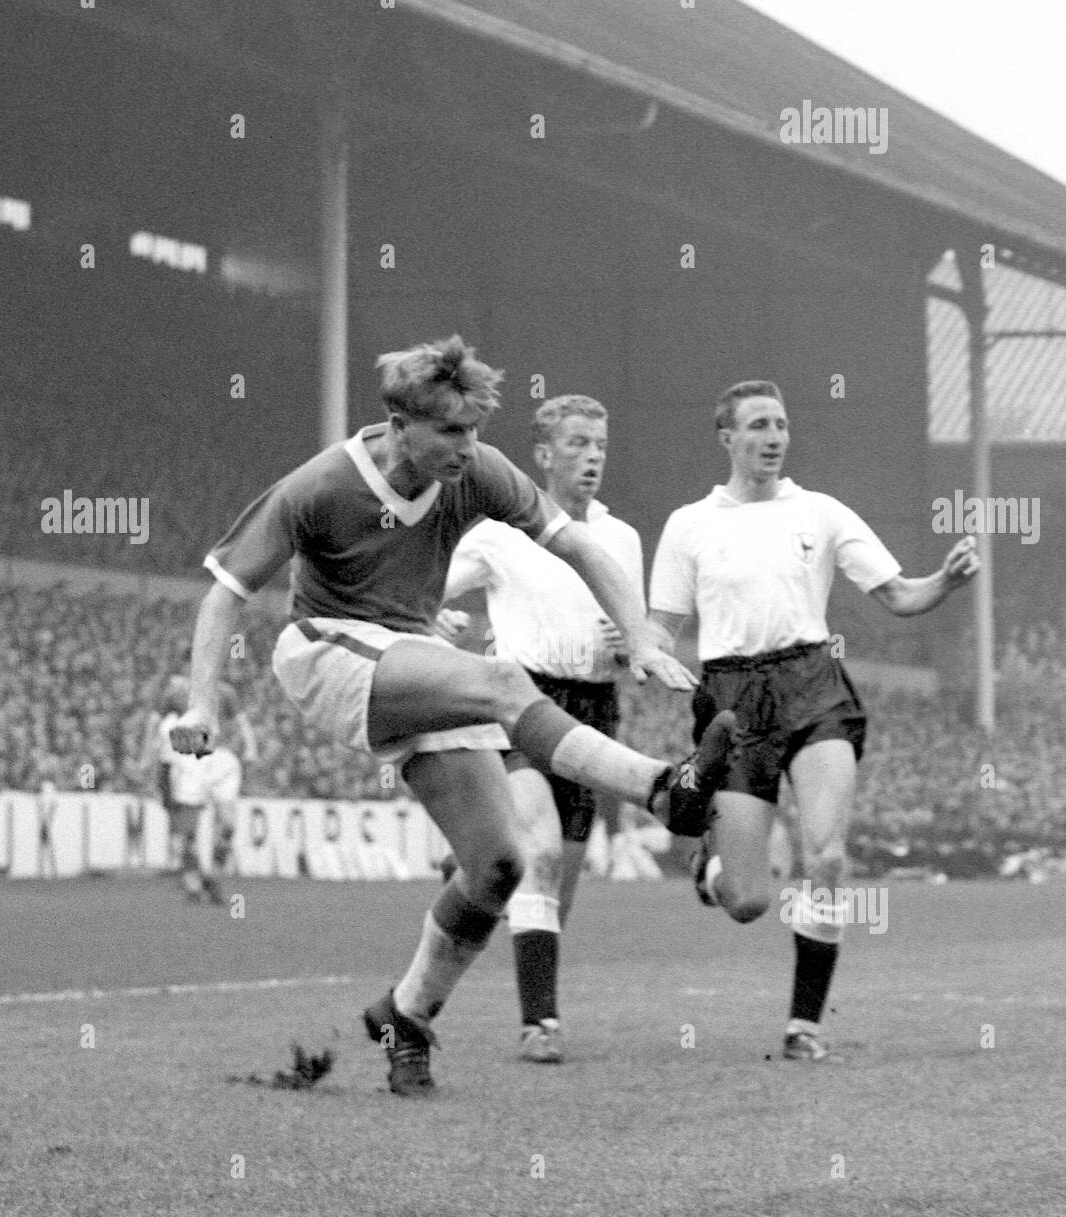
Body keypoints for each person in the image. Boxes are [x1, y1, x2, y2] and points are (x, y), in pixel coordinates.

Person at [170, 335, 734, 1095]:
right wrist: (202, 699)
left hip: (411, 657)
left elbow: (580, 546)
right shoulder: (324, 483)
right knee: (503, 678)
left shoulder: (480, 470)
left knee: (499, 866)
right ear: (401, 425)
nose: (468, 447)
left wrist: (636, 634)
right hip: (325, 652)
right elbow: (225, 589)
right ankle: (664, 789)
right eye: (450, 431)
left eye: (474, 429)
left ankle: (408, 1017)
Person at [648, 379, 979, 1062]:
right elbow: (659, 626)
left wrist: (944, 580)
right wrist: (637, 647)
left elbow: (897, 593)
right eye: (759, 424)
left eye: (782, 423)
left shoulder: (822, 512)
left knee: (825, 855)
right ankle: (712, 869)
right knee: (746, 900)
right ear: (728, 437)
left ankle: (805, 1025)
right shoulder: (690, 525)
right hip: (733, 696)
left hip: (812, 682)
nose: (774, 435)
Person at [436, 393, 643, 1062]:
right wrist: (429, 621)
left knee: (559, 885)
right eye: (579, 444)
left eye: (601, 446)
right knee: (545, 852)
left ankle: (478, 873)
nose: (593, 458)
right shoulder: (499, 532)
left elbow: (634, 641)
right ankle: (540, 1024)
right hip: (520, 702)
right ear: (544, 455)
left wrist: (628, 645)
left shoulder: (621, 538)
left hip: (593, 711)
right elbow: (423, 588)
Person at [156, 675, 255, 904]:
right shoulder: (176, 692)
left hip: (222, 757)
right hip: (191, 758)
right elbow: (157, 725)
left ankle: (213, 876)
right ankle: (192, 882)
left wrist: (250, 746)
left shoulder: (226, 691)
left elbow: (241, 722)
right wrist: (155, 760)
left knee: (228, 824)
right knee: (188, 827)